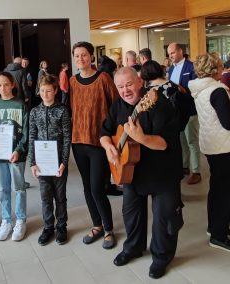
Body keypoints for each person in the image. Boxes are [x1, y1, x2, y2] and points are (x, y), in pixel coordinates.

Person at [100, 67, 183, 279]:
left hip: (163, 172)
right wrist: (109, 148)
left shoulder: (158, 104)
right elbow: (105, 132)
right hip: (131, 172)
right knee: (131, 214)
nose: (125, 90)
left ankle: (161, 257)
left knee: (164, 219)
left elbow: (165, 143)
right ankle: (133, 248)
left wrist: (142, 137)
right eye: (120, 87)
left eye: (129, 84)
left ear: (139, 81)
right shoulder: (117, 106)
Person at [70, 41, 119, 249]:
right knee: (87, 189)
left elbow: (116, 107)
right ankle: (96, 225)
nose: (80, 59)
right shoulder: (72, 81)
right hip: (78, 141)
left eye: (84, 55)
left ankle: (109, 229)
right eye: (77, 56)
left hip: (100, 142)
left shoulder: (103, 78)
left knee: (98, 188)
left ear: (91, 57)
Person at [189, 52, 230, 252]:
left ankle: (214, 227)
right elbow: (228, 122)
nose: (223, 69)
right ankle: (219, 235)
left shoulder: (199, 89)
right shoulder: (218, 90)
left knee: (216, 188)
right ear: (215, 69)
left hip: (211, 144)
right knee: (224, 191)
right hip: (224, 146)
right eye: (220, 66)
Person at [0, 71, 29, 241]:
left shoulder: (20, 105)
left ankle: (21, 220)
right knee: (3, 189)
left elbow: (26, 132)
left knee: (19, 188)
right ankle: (6, 220)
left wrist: (19, 150)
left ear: (12, 85)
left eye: (6, 84)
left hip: (16, 155)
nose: (3, 88)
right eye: (0, 85)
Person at [28, 74, 71, 246]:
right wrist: (32, 162)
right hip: (41, 163)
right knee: (45, 197)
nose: (45, 94)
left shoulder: (62, 110)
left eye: (49, 91)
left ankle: (61, 226)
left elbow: (67, 137)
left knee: (60, 196)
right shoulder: (34, 112)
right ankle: (48, 227)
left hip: (59, 162)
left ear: (55, 91)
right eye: (42, 91)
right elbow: (31, 136)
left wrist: (64, 162)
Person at [167, 42, 201, 185]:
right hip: (177, 111)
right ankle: (185, 166)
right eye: (169, 54)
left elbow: (196, 88)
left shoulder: (190, 66)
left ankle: (196, 171)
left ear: (180, 51)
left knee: (192, 141)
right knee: (182, 141)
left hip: (190, 109)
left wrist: (183, 90)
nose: (171, 56)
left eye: (173, 53)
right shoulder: (170, 69)